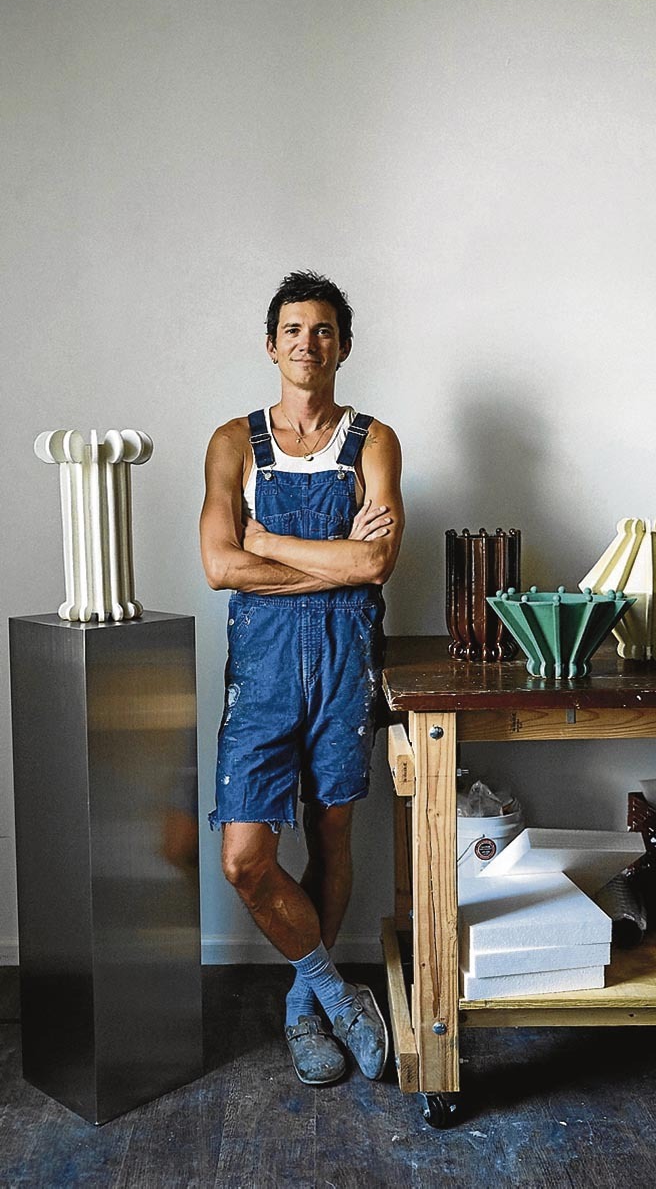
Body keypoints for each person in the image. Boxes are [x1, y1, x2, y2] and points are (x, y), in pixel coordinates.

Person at [200, 271, 404, 1086]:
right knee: (245, 858)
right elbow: (220, 567)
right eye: (292, 329)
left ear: (342, 347)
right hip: (262, 670)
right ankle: (334, 988)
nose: (306, 343)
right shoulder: (233, 442)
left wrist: (269, 544)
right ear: (270, 345)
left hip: (346, 661)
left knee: (330, 833)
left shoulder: (374, 441)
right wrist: (336, 564)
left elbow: (375, 564)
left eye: (322, 330)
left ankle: (301, 1009)